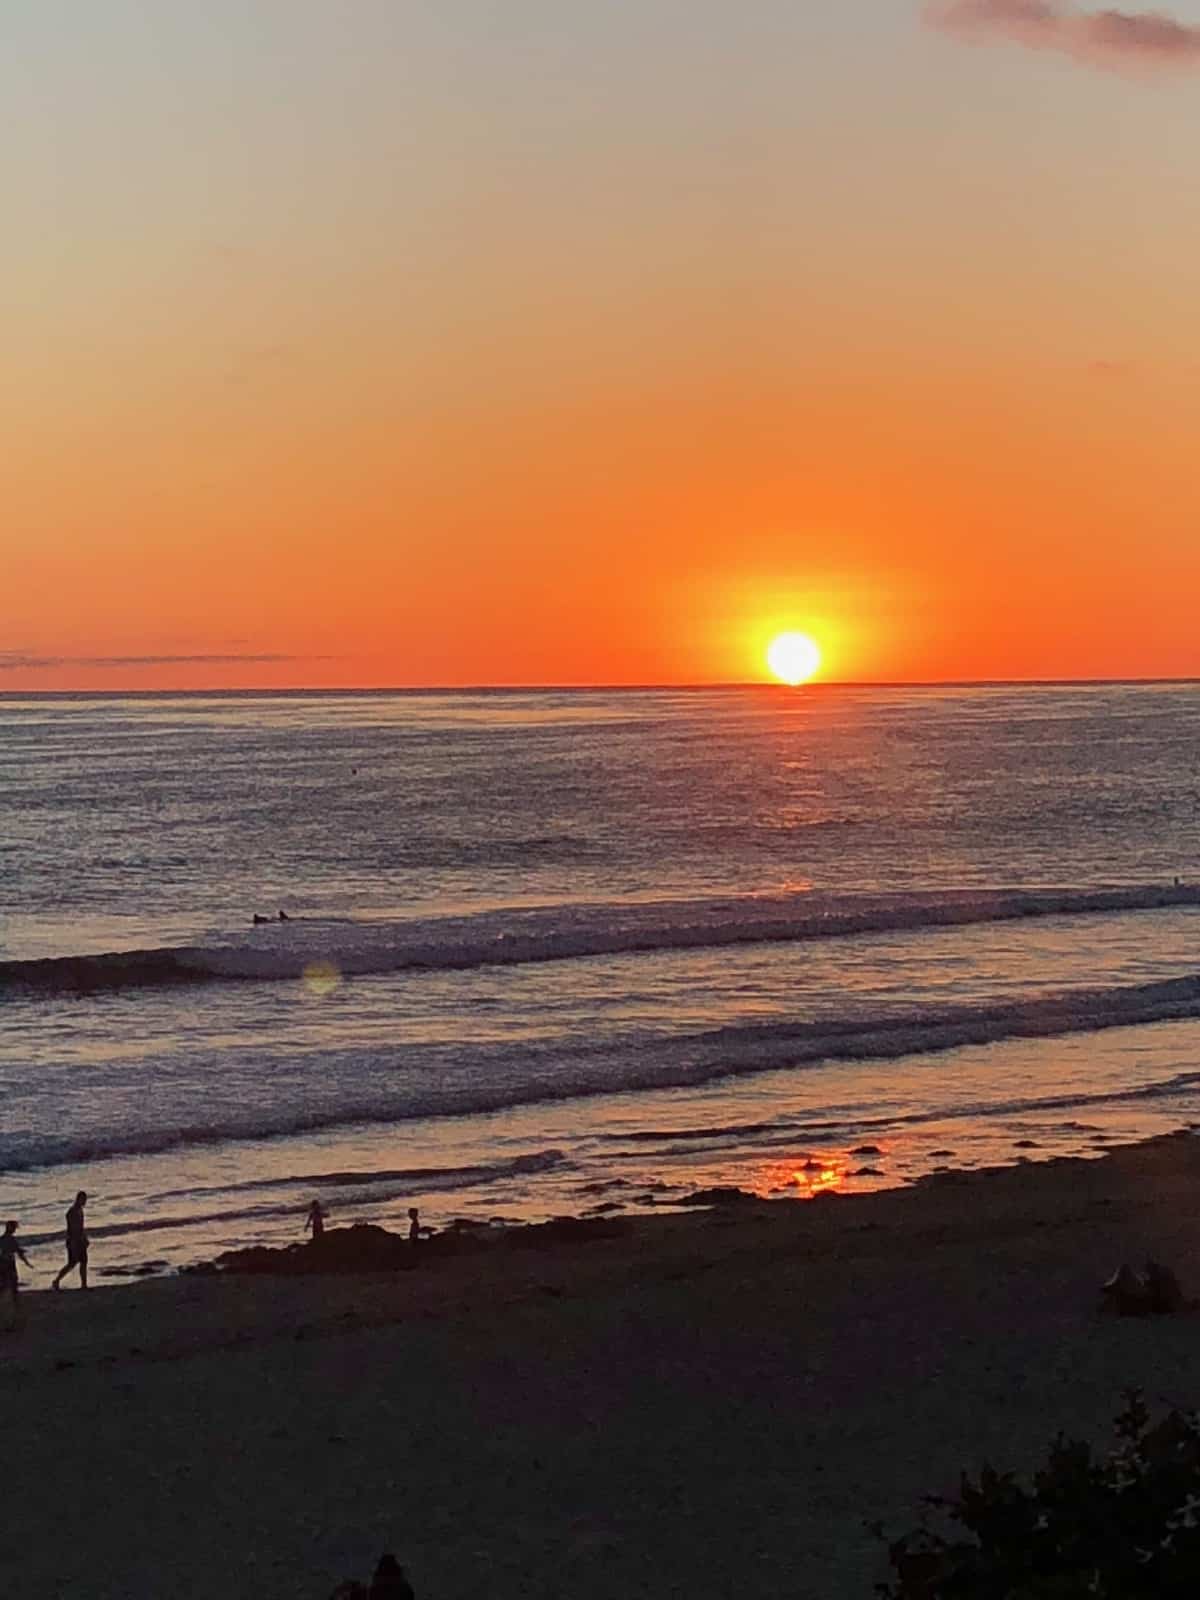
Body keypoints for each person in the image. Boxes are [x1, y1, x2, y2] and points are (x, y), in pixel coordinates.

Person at [52, 1191, 89, 1290]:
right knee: (72, 1263)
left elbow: (81, 1227)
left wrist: (84, 1237)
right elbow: (73, 1228)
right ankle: (56, 1280)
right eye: (84, 1200)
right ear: (79, 1199)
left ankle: (84, 1284)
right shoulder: (72, 1211)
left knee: (84, 1261)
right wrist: (75, 1241)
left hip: (80, 1240)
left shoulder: (80, 1210)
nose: (85, 1202)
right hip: (73, 1240)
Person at [0, 1221, 32, 1329]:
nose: (14, 1230)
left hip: (2, 1265)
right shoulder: (11, 1239)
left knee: (4, 1287)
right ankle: (11, 1319)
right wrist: (27, 1263)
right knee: (12, 1288)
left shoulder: (1, 1239)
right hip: (9, 1265)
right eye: (14, 1228)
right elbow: (18, 1252)